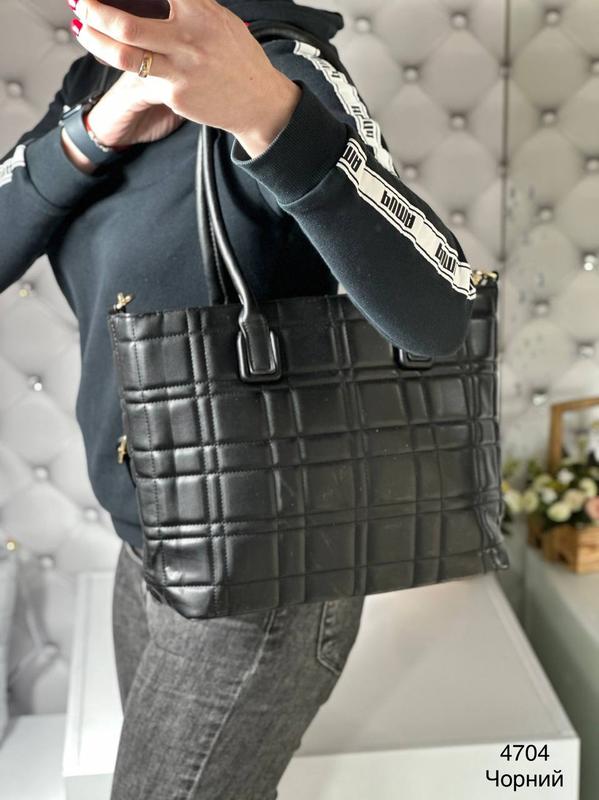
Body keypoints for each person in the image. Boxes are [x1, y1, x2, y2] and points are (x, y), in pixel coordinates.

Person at [0, 0, 477, 796]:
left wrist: (269, 115)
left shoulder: (283, 64)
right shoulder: (93, 76)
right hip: (147, 540)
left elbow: (440, 311)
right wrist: (97, 129)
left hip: (264, 568)